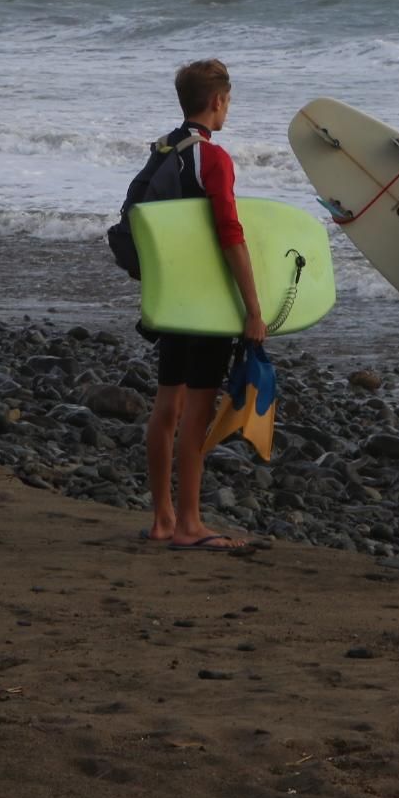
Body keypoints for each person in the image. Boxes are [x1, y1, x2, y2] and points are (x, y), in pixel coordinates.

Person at [143, 58, 269, 553]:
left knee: (166, 405)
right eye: (228, 100)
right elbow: (230, 234)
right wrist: (254, 309)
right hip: (207, 304)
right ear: (218, 101)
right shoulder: (212, 158)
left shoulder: (164, 149)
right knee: (197, 409)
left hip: (171, 298)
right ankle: (190, 524)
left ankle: (162, 518)